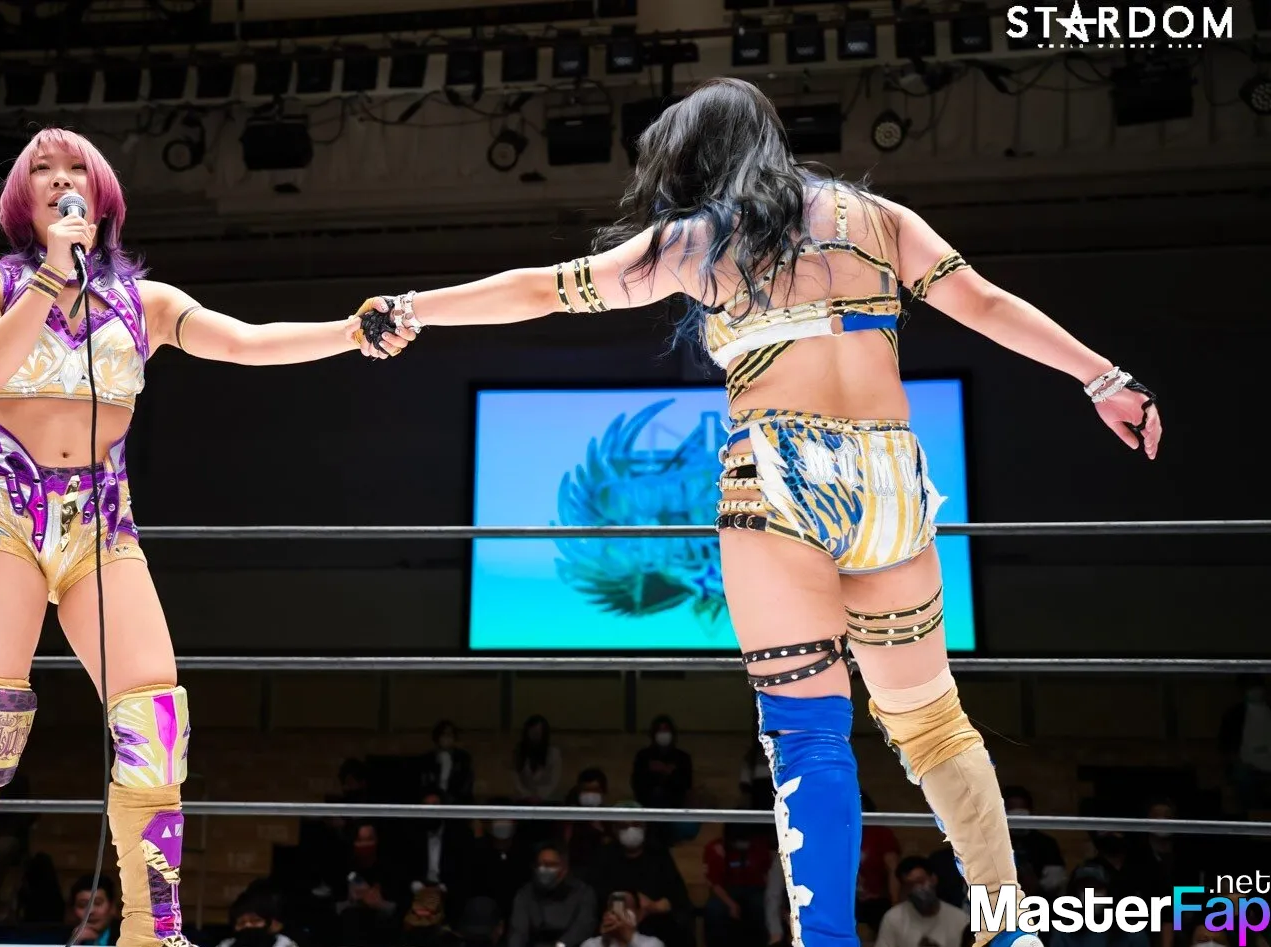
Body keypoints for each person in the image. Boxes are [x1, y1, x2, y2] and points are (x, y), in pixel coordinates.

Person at [352, 77, 1160, 947]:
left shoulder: (701, 239)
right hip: (892, 476)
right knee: (933, 725)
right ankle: (1009, 930)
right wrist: (1103, 377)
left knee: (808, 735)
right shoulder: (878, 218)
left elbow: (543, 290)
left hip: (778, 476)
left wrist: (413, 308)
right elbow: (986, 303)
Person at [0, 126, 414, 947]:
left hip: (102, 528)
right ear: (21, 196)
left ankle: (151, 930)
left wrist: (347, 329)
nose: (59, 179)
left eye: (75, 168)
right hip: (1, 517)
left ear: (102, 193)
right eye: (42, 169)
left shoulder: (143, 301)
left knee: (155, 719)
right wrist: (51, 274)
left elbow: (245, 342)